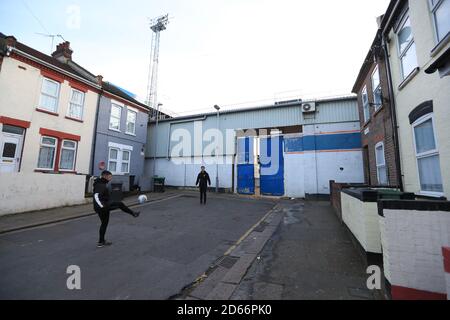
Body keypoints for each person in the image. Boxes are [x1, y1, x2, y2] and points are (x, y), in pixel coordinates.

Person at [93, 170, 140, 248]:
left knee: (104, 224)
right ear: (105, 176)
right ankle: (133, 213)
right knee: (120, 204)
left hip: (103, 205)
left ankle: (101, 242)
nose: (111, 178)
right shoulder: (100, 185)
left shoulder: (101, 183)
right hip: (102, 207)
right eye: (110, 177)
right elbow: (96, 196)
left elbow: (102, 196)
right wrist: (102, 207)